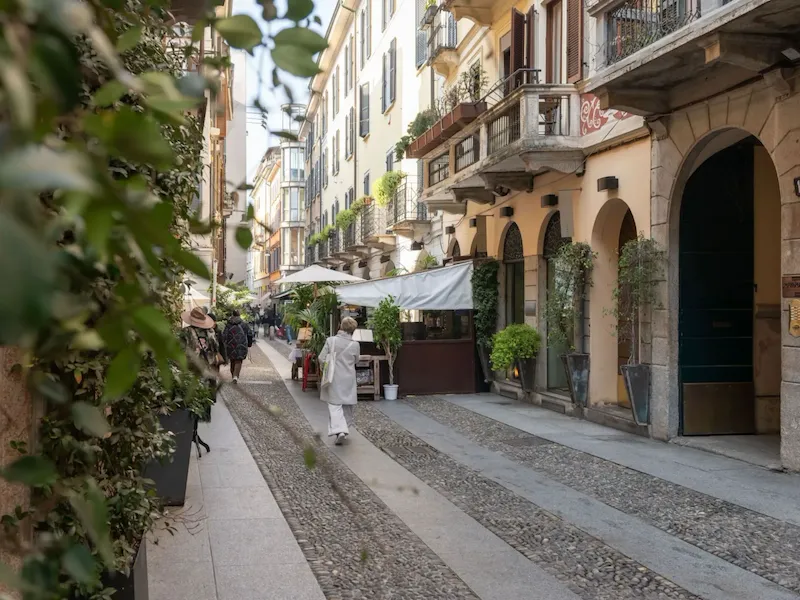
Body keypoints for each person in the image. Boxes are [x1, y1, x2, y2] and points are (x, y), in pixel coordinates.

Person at [318, 317, 361, 445]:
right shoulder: (355, 344)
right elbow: (356, 360)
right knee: (347, 405)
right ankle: (345, 428)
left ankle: (340, 430)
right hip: (349, 377)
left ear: (341, 326)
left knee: (334, 404)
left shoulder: (331, 341)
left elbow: (321, 358)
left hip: (334, 377)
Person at [222, 309, 253, 383]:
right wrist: (249, 344)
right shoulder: (244, 324)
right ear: (239, 315)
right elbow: (249, 334)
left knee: (232, 360)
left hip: (230, 344)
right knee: (238, 360)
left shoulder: (228, 324)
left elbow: (224, 335)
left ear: (232, 314)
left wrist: (224, 343)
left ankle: (233, 374)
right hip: (241, 344)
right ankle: (235, 376)